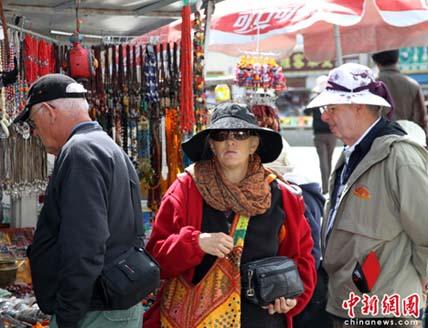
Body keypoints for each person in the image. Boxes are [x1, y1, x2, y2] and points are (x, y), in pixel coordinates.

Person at [143, 102, 316, 327]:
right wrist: (195, 243)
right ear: (212, 145)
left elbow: (302, 259)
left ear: (254, 145)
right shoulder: (186, 188)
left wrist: (291, 298)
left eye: (241, 134)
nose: (231, 141)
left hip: (261, 320)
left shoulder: (282, 195)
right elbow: (155, 259)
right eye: (221, 135)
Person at [13, 74, 144, 328]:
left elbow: (84, 244)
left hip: (94, 311)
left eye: (33, 122)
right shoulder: (105, 146)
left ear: (49, 111)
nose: (35, 131)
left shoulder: (80, 152)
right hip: (109, 305)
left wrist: (67, 316)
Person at [307, 63, 428, 327]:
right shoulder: (352, 153)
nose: (325, 117)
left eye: (331, 108)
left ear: (358, 107)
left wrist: (416, 282)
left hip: (387, 309)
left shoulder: (400, 156)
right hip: (350, 303)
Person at [372, 49, 427, 132]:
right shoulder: (413, 85)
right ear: (397, 59)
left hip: (380, 142)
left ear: (375, 61)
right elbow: (421, 123)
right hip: (408, 140)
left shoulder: (372, 86)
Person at [304, 75, 337, 195]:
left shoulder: (315, 98)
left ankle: (325, 188)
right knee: (329, 160)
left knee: (323, 161)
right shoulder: (330, 98)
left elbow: (306, 111)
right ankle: (330, 185)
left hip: (318, 133)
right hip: (331, 132)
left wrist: (311, 98)